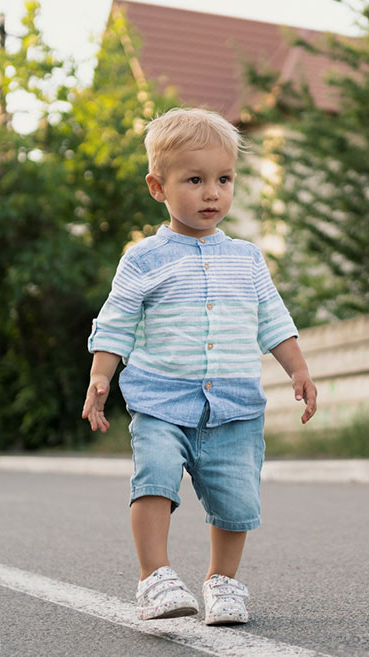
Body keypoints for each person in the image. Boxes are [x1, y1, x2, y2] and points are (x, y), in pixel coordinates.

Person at [82, 107, 317, 626]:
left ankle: (223, 582)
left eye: (224, 179)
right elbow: (117, 319)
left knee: (236, 496)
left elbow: (272, 317)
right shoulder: (144, 259)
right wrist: (102, 375)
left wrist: (297, 368)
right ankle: (156, 578)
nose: (213, 193)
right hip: (162, 399)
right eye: (195, 180)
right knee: (155, 478)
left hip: (234, 403)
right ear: (157, 187)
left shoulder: (248, 258)